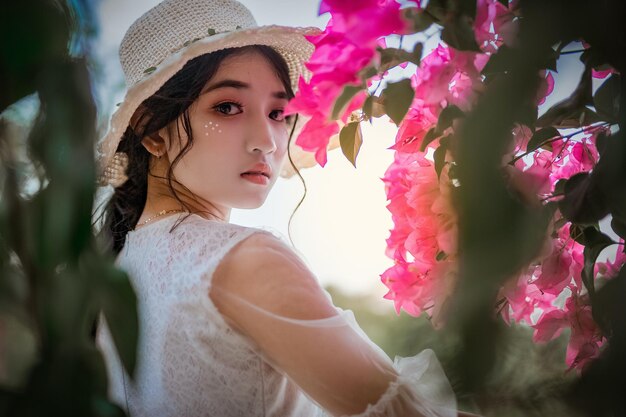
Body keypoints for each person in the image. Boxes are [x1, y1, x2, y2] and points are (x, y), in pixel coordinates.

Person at [95, 0, 465, 416]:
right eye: (228, 107)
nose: (268, 141)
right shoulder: (243, 260)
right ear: (151, 130)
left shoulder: (117, 270)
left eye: (278, 112)